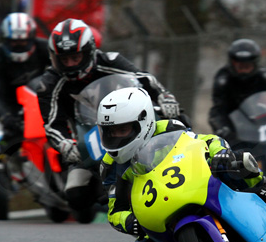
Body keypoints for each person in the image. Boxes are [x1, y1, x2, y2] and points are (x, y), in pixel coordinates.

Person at [96, 86, 266, 242]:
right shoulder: (109, 166)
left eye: (122, 130)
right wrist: (129, 221)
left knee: (239, 163)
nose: (116, 137)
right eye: (110, 132)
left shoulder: (169, 128)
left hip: (200, 186)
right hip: (160, 218)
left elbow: (206, 141)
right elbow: (115, 211)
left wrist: (219, 153)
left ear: (143, 122)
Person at [34, 18, 182, 216]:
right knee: (75, 195)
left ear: (88, 52)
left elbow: (145, 79)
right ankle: (109, 197)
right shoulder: (49, 84)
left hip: (125, 125)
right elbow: (52, 122)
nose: (70, 64)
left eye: (75, 58)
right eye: (64, 60)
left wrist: (165, 97)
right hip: (84, 140)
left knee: (177, 120)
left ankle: (190, 157)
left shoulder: (110, 61)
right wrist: (64, 144)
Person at [0, 12, 50, 156]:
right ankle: (15, 173)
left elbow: (61, 72)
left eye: (24, 41)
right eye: (14, 41)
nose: (19, 45)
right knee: (7, 147)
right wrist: (6, 117)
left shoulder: (45, 47)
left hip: (45, 101)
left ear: (31, 38)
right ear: (5, 40)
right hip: (13, 108)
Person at [208, 38, 266, 142]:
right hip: (232, 124)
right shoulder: (223, 80)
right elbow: (218, 109)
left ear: (255, 64)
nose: (244, 70)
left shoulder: (264, 76)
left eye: (247, 66)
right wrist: (221, 127)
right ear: (232, 63)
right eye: (240, 66)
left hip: (259, 120)